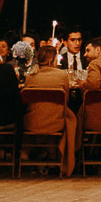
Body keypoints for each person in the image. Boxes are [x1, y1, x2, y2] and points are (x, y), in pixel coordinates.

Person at [23, 45, 78, 176]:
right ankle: (54, 157)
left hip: (32, 122)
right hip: (55, 122)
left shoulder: (30, 76)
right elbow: (66, 99)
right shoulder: (62, 75)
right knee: (68, 116)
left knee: (39, 111)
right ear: (52, 59)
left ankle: (38, 155)